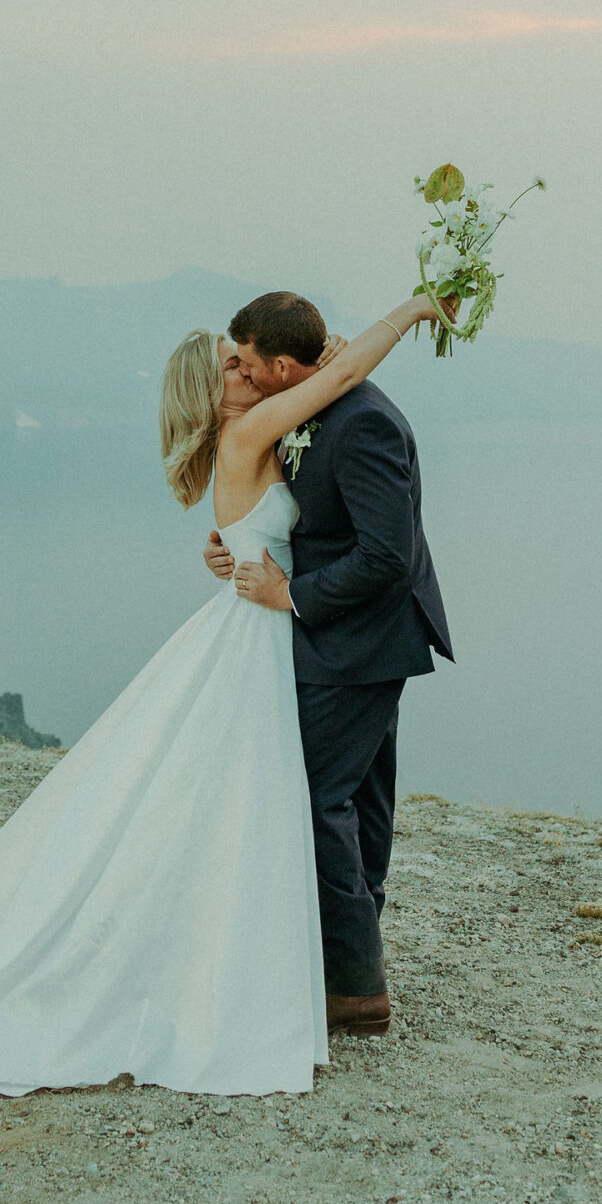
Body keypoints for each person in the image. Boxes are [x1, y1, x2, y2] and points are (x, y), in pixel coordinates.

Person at [0, 282, 442, 1102]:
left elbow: (293, 470)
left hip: (272, 631)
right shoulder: (253, 429)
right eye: (232, 365)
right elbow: (336, 379)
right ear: (216, 387)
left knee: (282, 798)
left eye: (249, 361)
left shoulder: (250, 433)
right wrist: (412, 307)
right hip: (268, 631)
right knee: (295, 800)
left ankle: (315, 958)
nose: (247, 373)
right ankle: (333, 976)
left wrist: (242, 555)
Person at [204, 292, 453, 1038]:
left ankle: (353, 988)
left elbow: (386, 555)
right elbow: (310, 521)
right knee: (360, 800)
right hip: (347, 638)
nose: (237, 372)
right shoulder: (308, 410)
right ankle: (349, 954)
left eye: (244, 362)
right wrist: (242, 549)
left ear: (281, 365)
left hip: (357, 641)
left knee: (315, 801)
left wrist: (290, 594)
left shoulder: (362, 420)